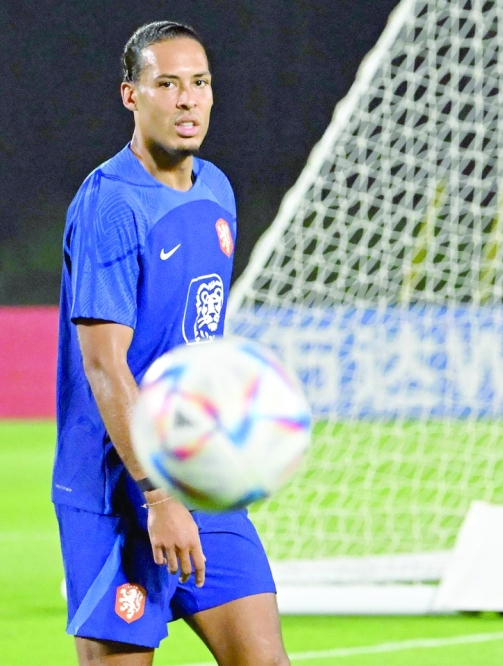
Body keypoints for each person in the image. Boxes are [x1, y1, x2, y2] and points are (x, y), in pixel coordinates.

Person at [53, 21, 290, 666]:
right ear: (132, 95)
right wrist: (158, 496)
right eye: (167, 84)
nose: (187, 100)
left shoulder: (217, 190)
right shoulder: (111, 205)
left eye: (200, 84)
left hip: (198, 473)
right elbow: (104, 367)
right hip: (118, 490)